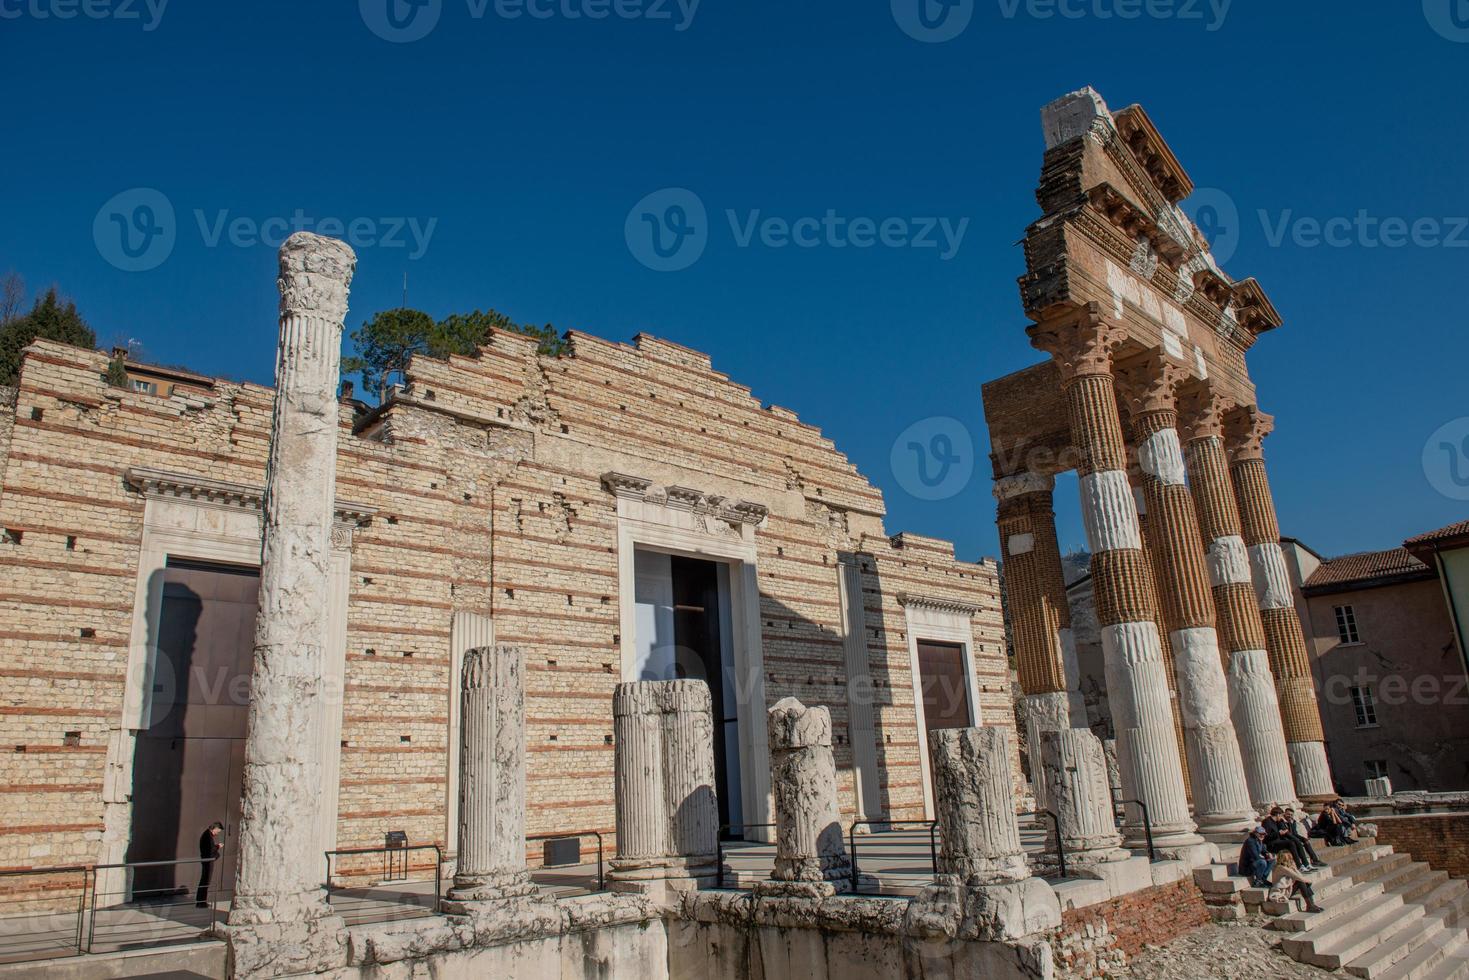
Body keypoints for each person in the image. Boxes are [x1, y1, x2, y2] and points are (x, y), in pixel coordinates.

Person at [1262, 806, 1315, 871]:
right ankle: (1299, 865)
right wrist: (1279, 833)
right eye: (1281, 815)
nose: (1282, 817)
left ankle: (1305, 864)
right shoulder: (1267, 822)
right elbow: (1265, 837)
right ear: (1277, 814)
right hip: (1271, 844)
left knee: (1294, 842)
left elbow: (1287, 831)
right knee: (1291, 843)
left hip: (1278, 841)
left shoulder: (1278, 821)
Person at [196, 821, 224, 909]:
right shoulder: (207, 836)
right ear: (214, 828)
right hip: (207, 861)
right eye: (218, 831)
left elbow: (210, 848)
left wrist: (216, 847)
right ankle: (201, 902)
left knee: (204, 881)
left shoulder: (207, 835)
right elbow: (210, 850)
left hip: (207, 860)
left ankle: (201, 901)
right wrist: (218, 846)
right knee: (205, 881)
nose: (217, 833)